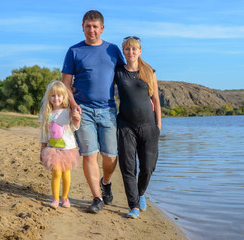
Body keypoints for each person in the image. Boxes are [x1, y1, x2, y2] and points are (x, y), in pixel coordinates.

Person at [61, 10, 125, 213]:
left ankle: (106, 182)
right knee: (89, 155)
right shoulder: (74, 51)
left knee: (110, 156)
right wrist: (73, 106)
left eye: (95, 26)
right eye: (88, 26)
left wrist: (148, 97)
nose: (91, 30)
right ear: (82, 27)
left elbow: (126, 78)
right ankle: (97, 198)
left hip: (107, 109)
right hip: (83, 110)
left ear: (102, 28)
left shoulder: (113, 50)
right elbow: (65, 84)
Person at [114, 36, 162, 219]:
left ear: (140, 51)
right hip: (126, 126)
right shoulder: (118, 72)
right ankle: (133, 205)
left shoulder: (149, 71)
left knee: (148, 167)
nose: (130, 52)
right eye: (127, 49)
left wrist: (158, 125)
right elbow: (101, 85)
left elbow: (156, 100)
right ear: (123, 51)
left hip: (149, 126)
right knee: (128, 167)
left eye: (134, 49)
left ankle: (141, 192)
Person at [40, 81, 81, 209]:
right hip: (52, 150)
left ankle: (65, 197)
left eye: (59, 95)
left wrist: (77, 120)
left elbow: (74, 128)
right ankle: (55, 199)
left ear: (64, 97)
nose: (56, 98)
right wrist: (42, 150)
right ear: (49, 97)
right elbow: (45, 134)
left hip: (68, 149)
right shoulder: (47, 114)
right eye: (53, 95)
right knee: (56, 173)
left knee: (66, 174)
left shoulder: (68, 111)